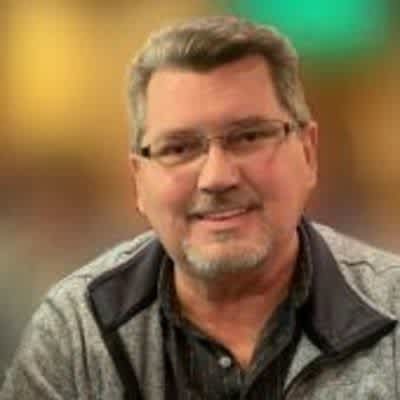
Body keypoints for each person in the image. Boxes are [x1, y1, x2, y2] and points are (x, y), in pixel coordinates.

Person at [1, 15, 400, 400]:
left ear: (308, 153)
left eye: (248, 137)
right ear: (139, 180)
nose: (217, 177)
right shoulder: (77, 333)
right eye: (179, 148)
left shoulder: (392, 309)